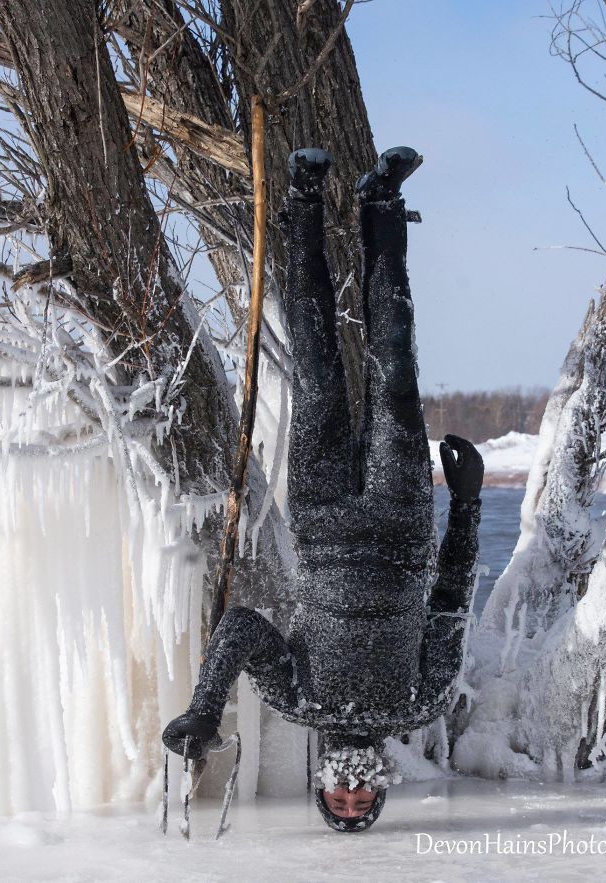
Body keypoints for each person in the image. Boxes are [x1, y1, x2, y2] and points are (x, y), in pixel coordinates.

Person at [163, 146, 484, 833]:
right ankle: (381, 204)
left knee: (316, 363)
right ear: (379, 792)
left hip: (324, 517)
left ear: (323, 785)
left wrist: (204, 706)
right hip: (401, 522)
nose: (349, 792)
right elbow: (452, 599)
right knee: (393, 362)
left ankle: (303, 201)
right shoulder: (419, 701)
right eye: (359, 802)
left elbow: (243, 628)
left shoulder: (298, 699)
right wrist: (469, 505)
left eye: (337, 800)